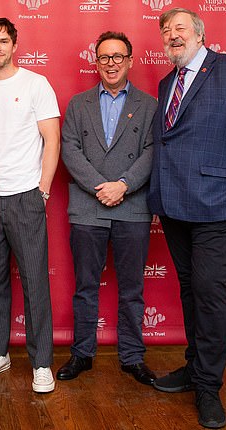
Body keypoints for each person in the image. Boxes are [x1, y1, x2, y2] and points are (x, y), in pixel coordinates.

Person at [148, 8, 226, 429]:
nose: (171, 35)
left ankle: (208, 386)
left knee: (210, 293)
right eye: (166, 30)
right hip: (175, 204)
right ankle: (194, 366)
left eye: (179, 28)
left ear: (200, 34)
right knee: (189, 291)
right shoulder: (167, 83)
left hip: (217, 204)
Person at [57, 31, 157, 386]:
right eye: (104, 57)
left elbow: (151, 151)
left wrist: (124, 186)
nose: (111, 63)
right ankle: (82, 353)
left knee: (131, 288)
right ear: (95, 62)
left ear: (130, 61)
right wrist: (101, 187)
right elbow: (69, 150)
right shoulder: (78, 103)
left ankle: (132, 356)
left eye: (118, 57)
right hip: (88, 205)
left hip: (132, 207)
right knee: (86, 285)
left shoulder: (149, 105)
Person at [0, 17, 61, 393]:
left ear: (14, 44)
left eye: (2, 41)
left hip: (26, 196)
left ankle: (41, 363)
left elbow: (51, 139)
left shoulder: (36, 84)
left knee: (36, 283)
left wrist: (42, 189)